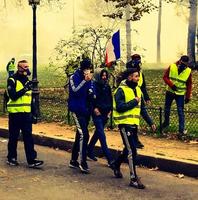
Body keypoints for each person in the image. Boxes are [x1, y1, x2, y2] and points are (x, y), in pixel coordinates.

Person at [6, 60, 44, 168]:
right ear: (19, 68)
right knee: (13, 136)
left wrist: (34, 113)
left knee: (28, 137)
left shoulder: (27, 81)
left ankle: (32, 160)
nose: (27, 69)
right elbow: (13, 96)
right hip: (15, 114)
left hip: (26, 114)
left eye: (28, 67)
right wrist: (25, 89)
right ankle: (11, 157)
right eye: (24, 67)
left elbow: (30, 99)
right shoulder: (12, 80)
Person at [112, 68, 145, 189]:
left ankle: (116, 164)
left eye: (138, 76)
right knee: (132, 150)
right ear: (130, 77)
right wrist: (134, 102)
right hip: (124, 124)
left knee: (127, 149)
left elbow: (142, 109)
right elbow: (120, 107)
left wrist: (151, 122)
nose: (138, 79)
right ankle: (133, 178)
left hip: (134, 124)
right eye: (136, 76)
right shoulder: (120, 90)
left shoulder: (138, 90)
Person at [68, 57, 95, 174]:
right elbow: (75, 91)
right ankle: (82, 161)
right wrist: (85, 81)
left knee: (80, 135)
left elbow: (91, 91)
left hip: (86, 109)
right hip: (77, 109)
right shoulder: (74, 77)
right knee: (85, 134)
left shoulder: (90, 79)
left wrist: (92, 93)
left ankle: (73, 159)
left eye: (89, 69)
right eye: (86, 69)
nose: (87, 71)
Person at [126, 54, 156, 148]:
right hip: (130, 95)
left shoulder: (141, 74)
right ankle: (132, 141)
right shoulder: (128, 73)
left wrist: (146, 98)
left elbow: (143, 87)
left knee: (136, 118)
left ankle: (134, 141)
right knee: (131, 121)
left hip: (138, 94)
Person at [87, 68, 114, 168]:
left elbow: (110, 98)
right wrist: (94, 108)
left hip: (105, 113)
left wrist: (110, 109)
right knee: (102, 136)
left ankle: (89, 150)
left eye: (105, 75)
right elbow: (90, 99)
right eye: (102, 75)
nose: (104, 77)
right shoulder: (93, 86)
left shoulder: (107, 86)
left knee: (98, 133)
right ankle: (110, 159)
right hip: (97, 113)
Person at [162, 55, 192, 139]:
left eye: (185, 64)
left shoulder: (188, 71)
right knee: (167, 109)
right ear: (180, 61)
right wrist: (171, 85)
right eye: (182, 63)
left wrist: (188, 96)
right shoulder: (172, 66)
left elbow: (189, 84)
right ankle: (166, 123)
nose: (183, 66)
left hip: (180, 94)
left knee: (180, 111)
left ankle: (181, 130)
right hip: (170, 92)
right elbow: (165, 77)